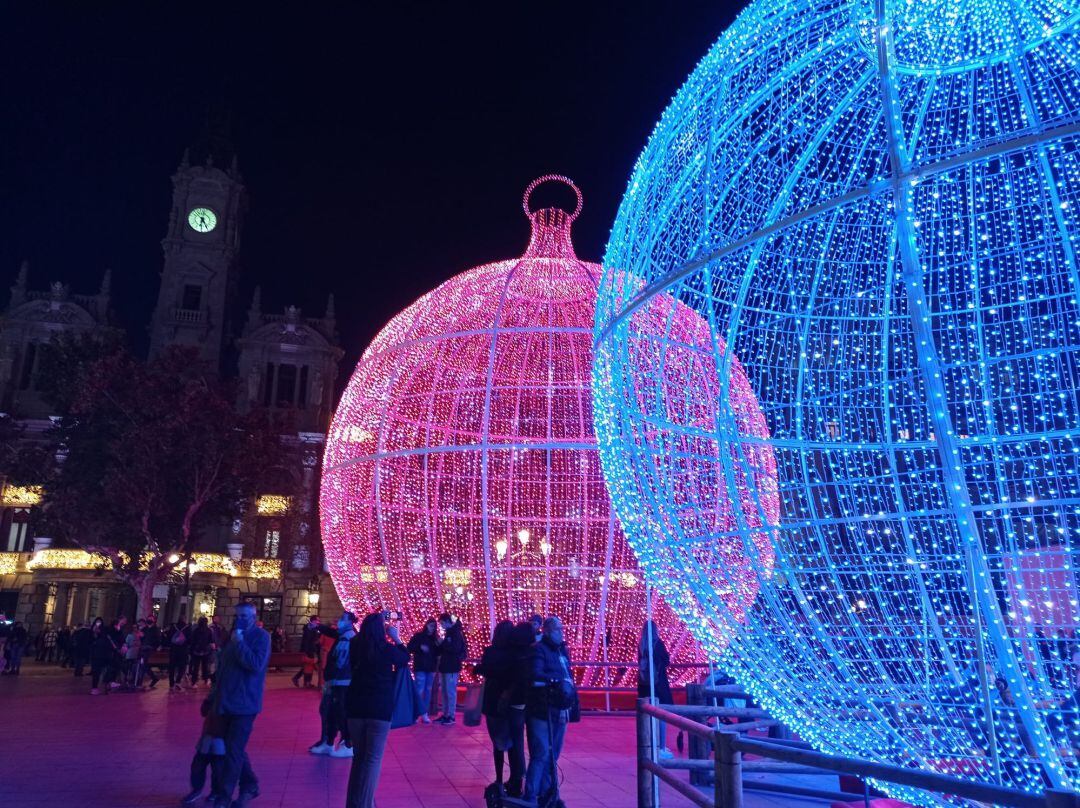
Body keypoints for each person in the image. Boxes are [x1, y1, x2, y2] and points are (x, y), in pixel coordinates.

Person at [344, 611, 409, 808]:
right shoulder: (386, 648)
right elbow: (404, 658)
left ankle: (354, 803)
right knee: (373, 760)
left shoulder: (355, 646)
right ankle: (364, 804)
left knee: (359, 757)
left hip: (355, 707)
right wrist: (396, 637)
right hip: (379, 708)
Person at [212, 600, 271, 808]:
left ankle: (224, 796)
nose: (240, 620)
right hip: (225, 701)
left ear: (254, 617)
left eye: (245, 616)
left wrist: (239, 643)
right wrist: (212, 697)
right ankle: (250, 784)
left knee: (233, 750)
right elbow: (223, 669)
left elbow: (255, 665)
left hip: (245, 703)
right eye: (237, 616)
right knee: (231, 748)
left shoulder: (261, 637)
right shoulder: (232, 636)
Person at [523, 616, 578, 803]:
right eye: (557, 629)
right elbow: (535, 674)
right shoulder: (539, 650)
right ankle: (530, 795)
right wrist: (556, 681)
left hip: (561, 708)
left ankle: (547, 793)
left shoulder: (562, 651)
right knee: (541, 754)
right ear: (547, 631)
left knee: (552, 755)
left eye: (562, 629)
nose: (561, 633)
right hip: (542, 708)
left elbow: (567, 674)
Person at [475, 620, 527, 799]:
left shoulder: (491, 652)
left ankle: (498, 778)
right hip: (512, 702)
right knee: (515, 742)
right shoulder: (516, 654)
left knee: (498, 742)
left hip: (493, 701)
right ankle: (516, 781)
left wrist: (480, 669)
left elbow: (485, 670)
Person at [310, 611, 358, 757]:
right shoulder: (342, 635)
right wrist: (317, 626)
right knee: (329, 711)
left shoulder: (350, 638)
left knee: (340, 712)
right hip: (335, 681)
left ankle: (346, 743)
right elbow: (331, 632)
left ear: (351, 622)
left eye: (343, 618)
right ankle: (329, 742)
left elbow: (342, 661)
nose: (339, 621)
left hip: (343, 682)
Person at [638, 619, 674, 758]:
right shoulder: (657, 644)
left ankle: (649, 745)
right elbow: (666, 661)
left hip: (644, 684)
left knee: (648, 716)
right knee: (661, 716)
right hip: (658, 684)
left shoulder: (642, 645)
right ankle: (661, 747)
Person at [435, 612, 466, 724]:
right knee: (444, 691)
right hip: (445, 666)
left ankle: (451, 716)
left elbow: (455, 649)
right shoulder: (449, 633)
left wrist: (443, 644)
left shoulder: (456, 633)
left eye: (443, 623)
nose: (442, 625)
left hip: (452, 667)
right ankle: (445, 714)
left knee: (450, 691)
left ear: (448, 622)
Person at [407, 618, 439, 723]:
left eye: (434, 626)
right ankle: (416, 713)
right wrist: (420, 647)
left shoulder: (435, 639)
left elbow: (438, 652)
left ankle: (424, 713)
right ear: (426, 625)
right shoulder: (419, 636)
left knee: (428, 691)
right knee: (419, 690)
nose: (432, 628)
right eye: (430, 625)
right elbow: (410, 647)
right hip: (420, 667)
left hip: (431, 668)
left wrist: (440, 645)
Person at [89, 617, 116, 694]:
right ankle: (94, 688)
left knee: (107, 670)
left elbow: (109, 640)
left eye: (99, 622)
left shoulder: (105, 633)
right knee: (96, 672)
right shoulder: (92, 632)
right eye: (97, 622)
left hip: (104, 654)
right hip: (96, 654)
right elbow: (90, 641)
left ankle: (106, 685)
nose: (98, 624)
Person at [293, 614, 320, 686]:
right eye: (317, 620)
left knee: (308, 666)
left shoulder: (311, 628)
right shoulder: (309, 628)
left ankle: (306, 681)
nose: (318, 622)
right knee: (308, 666)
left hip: (310, 648)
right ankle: (304, 681)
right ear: (313, 621)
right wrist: (305, 651)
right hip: (308, 649)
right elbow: (307, 640)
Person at [189, 616, 216, 688]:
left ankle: (194, 682)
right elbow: (211, 641)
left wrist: (192, 650)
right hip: (206, 651)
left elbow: (192, 641)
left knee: (196, 667)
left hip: (196, 651)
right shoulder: (209, 630)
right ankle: (206, 679)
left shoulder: (196, 630)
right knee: (205, 666)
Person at [137, 616, 162, 689]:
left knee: (144, 664)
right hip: (143, 648)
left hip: (149, 648)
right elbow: (142, 637)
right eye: (149, 619)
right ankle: (148, 679)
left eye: (151, 619)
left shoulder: (155, 630)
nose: (149, 620)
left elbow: (157, 640)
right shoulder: (146, 629)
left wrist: (156, 646)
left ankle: (150, 678)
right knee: (142, 664)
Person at [168, 618, 193, 691]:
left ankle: (171, 684)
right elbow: (190, 640)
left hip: (173, 650)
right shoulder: (188, 628)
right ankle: (178, 681)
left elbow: (169, 637)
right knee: (182, 667)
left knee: (172, 667)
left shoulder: (173, 627)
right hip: (183, 650)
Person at [123, 620, 142, 687]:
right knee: (128, 667)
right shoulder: (129, 635)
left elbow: (140, 644)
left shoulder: (139, 635)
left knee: (134, 668)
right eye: (134, 628)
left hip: (136, 653)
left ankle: (133, 680)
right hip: (130, 653)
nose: (135, 629)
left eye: (136, 627)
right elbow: (126, 644)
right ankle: (126, 680)